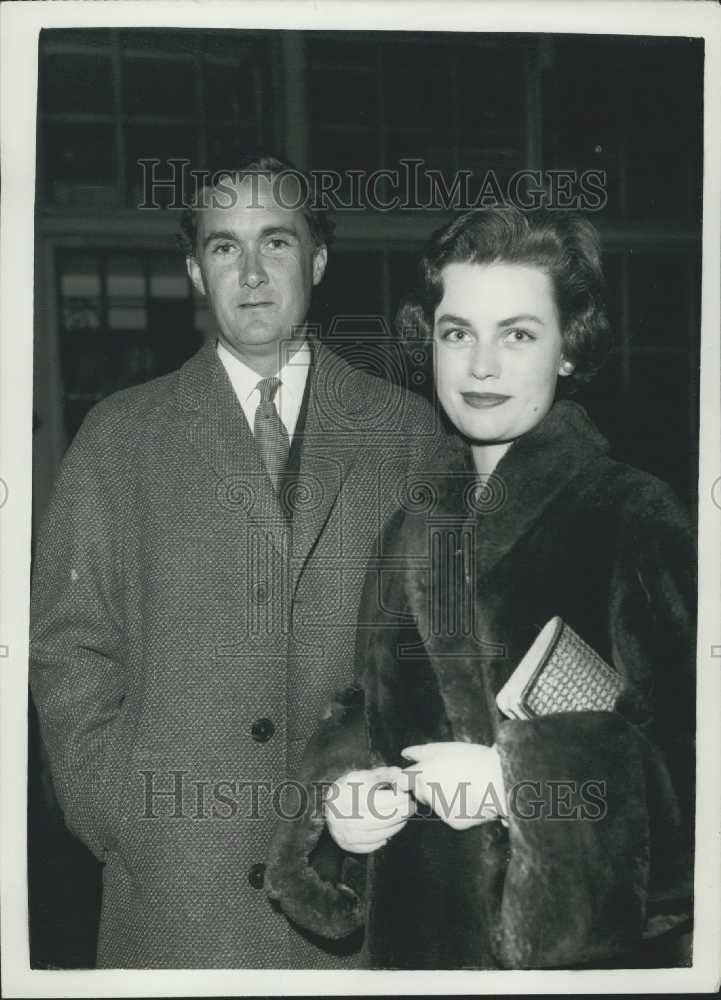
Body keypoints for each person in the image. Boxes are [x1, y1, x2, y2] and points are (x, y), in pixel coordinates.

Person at [29, 153, 444, 968]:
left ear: (317, 261)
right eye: (224, 247)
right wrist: (115, 810)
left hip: (352, 889)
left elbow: (434, 652)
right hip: (175, 895)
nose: (250, 273)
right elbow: (67, 646)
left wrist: (387, 802)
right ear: (194, 268)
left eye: (276, 243)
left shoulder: (403, 431)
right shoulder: (119, 437)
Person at [265, 206, 697, 969]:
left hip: (572, 969)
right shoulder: (410, 529)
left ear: (569, 348)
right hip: (416, 953)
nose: (481, 366)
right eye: (457, 332)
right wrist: (343, 806)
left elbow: (693, 774)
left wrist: (518, 783)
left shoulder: (630, 515)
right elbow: (370, 711)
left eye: (518, 334)